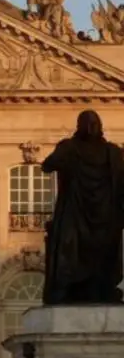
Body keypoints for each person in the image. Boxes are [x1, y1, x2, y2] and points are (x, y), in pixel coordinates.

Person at [42, 110, 124, 305]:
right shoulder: (70, 147)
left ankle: (100, 290)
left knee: (102, 255)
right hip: (77, 211)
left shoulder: (113, 152)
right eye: (88, 123)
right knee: (71, 252)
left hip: (104, 214)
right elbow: (47, 165)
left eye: (95, 123)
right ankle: (69, 290)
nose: (92, 127)